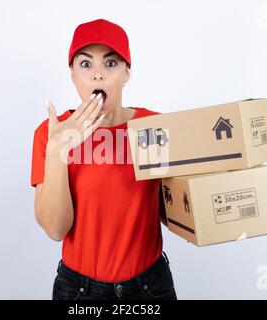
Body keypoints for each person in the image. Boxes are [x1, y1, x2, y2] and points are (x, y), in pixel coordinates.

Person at [30, 18, 177, 300]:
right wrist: (58, 151)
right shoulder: (50, 133)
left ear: (126, 73)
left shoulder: (154, 127)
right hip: (79, 291)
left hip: (150, 286)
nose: (98, 75)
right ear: (72, 74)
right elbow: (55, 229)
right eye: (86, 64)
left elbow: (175, 210)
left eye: (110, 64)